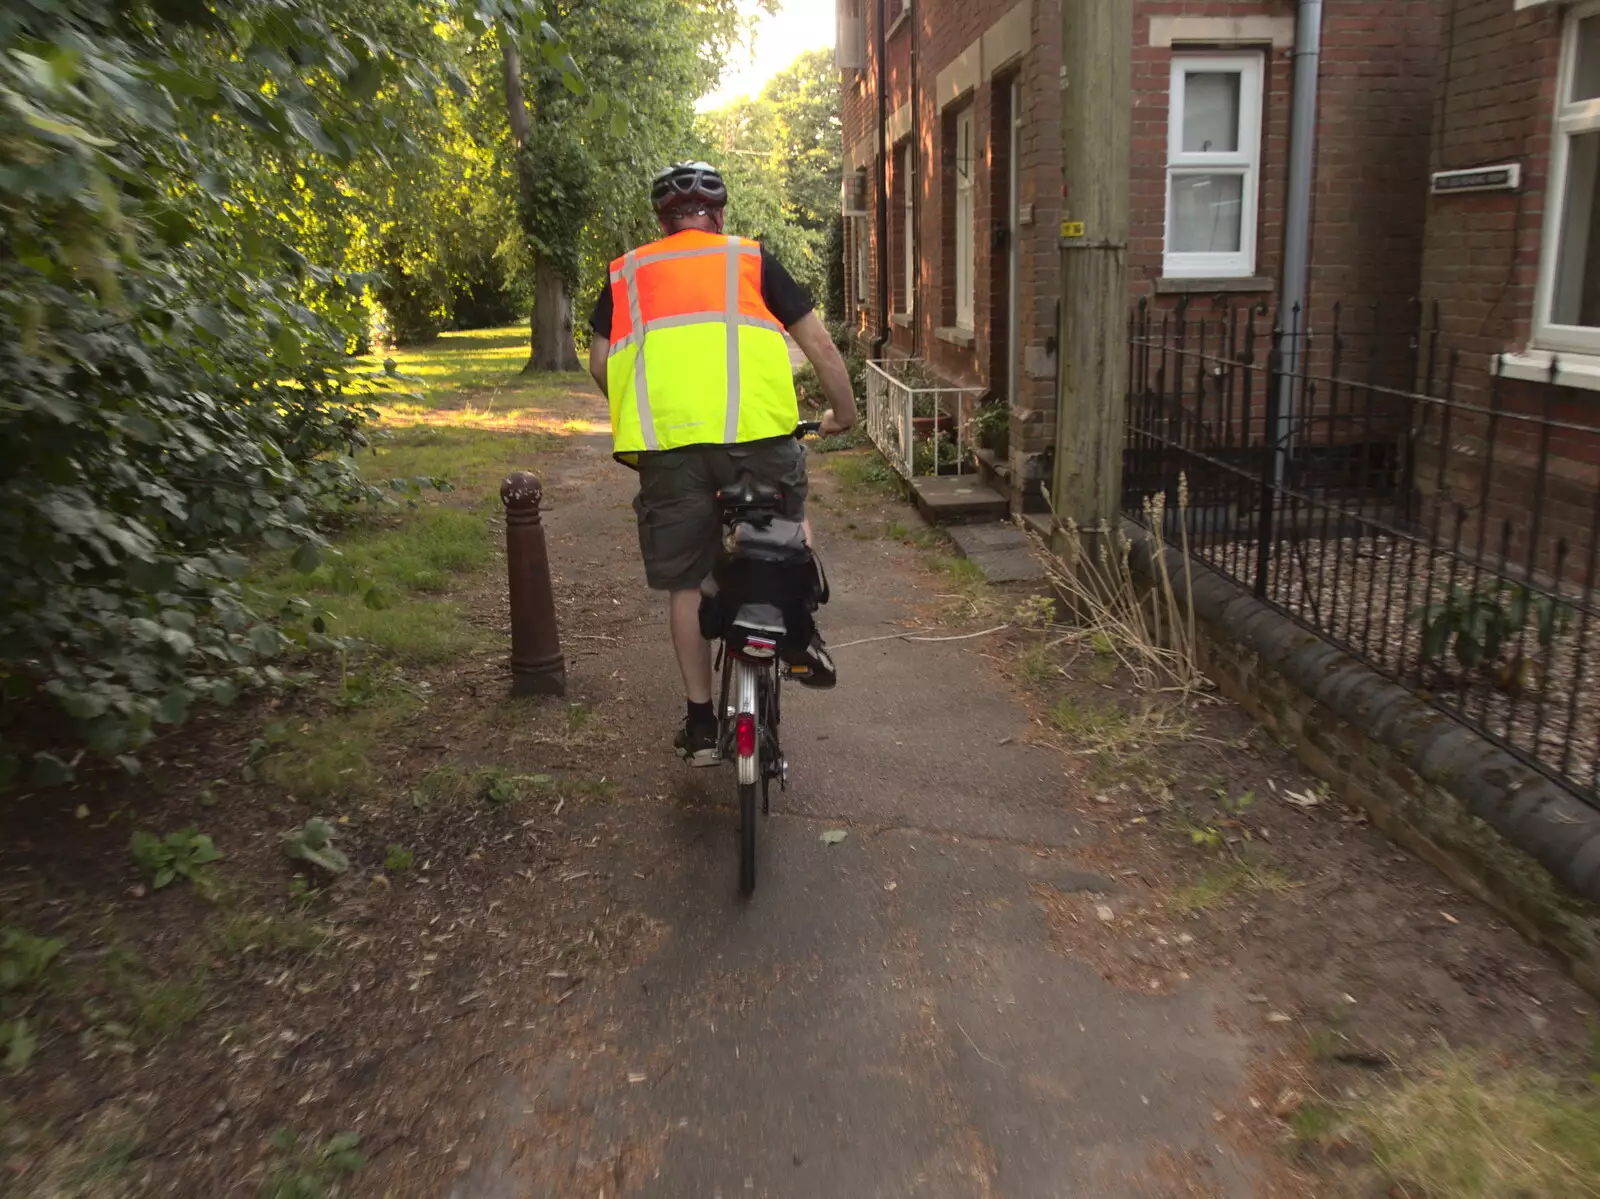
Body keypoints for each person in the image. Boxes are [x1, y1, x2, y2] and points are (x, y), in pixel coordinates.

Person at [586, 161, 860, 766]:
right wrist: (843, 412)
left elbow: (600, 362)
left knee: (685, 580)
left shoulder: (627, 275)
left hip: (671, 452)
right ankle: (800, 637)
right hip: (759, 440)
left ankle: (701, 723)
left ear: (662, 220)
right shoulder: (752, 260)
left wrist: (645, 408)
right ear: (719, 213)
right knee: (791, 519)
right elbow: (819, 345)